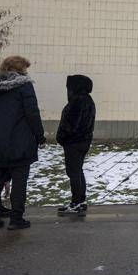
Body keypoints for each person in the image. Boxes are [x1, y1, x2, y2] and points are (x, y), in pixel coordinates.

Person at [0, 55, 45, 230]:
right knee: (19, 182)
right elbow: (32, 113)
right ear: (20, 69)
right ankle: (16, 219)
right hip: (19, 143)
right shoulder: (24, 86)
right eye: (25, 68)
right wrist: (40, 136)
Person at [56, 74, 96, 216]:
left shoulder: (77, 102)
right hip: (83, 142)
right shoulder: (88, 100)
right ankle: (81, 200)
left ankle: (76, 202)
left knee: (73, 173)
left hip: (74, 143)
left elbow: (71, 125)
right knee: (78, 171)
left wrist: (62, 137)